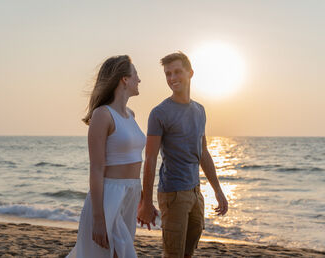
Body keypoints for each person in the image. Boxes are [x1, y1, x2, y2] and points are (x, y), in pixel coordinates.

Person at [137, 52, 228, 258]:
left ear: (190, 73)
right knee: (173, 254)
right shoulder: (159, 113)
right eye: (168, 74)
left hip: (196, 192)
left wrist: (218, 190)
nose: (172, 78)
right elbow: (150, 159)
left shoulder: (200, 110)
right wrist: (147, 203)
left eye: (177, 72)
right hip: (173, 194)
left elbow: (203, 152)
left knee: (189, 253)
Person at [67, 55, 146, 258]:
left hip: (131, 193)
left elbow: (134, 157)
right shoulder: (102, 115)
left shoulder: (131, 114)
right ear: (124, 79)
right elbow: (96, 168)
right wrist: (98, 219)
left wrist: (142, 195)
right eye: (136, 73)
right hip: (109, 196)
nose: (139, 79)